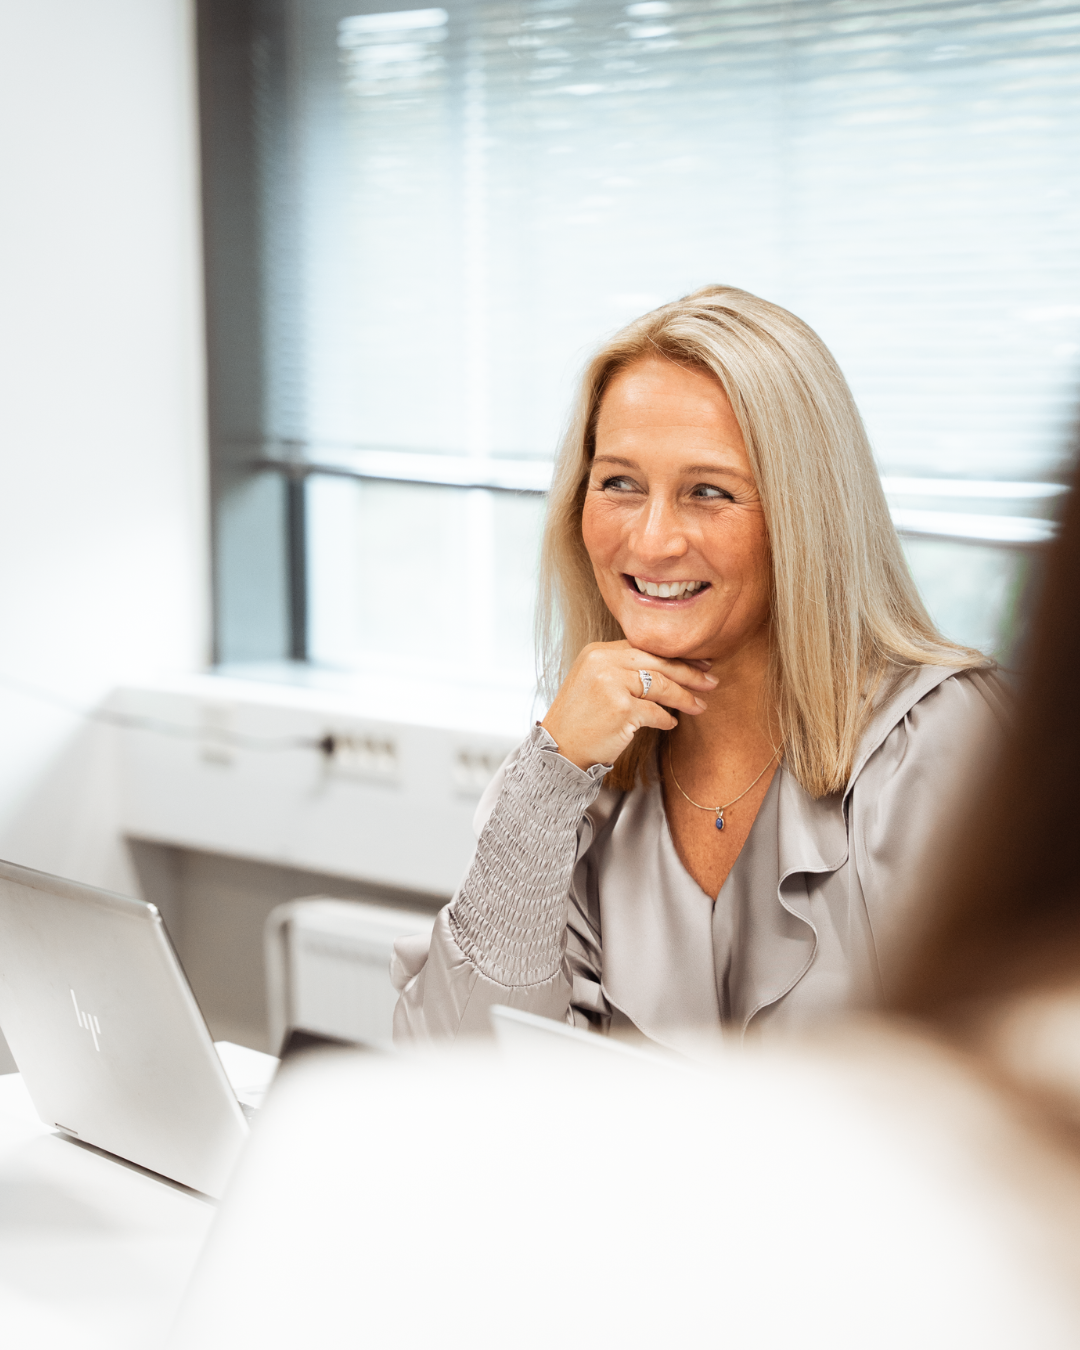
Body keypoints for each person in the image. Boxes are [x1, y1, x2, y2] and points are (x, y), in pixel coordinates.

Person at [392, 285, 1008, 1050]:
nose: (652, 543)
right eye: (619, 482)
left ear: (803, 515)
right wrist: (548, 780)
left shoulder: (938, 741)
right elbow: (460, 1075)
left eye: (708, 492)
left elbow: (1003, 1099)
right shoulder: (579, 766)